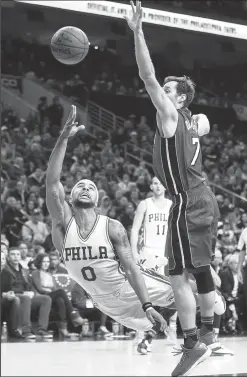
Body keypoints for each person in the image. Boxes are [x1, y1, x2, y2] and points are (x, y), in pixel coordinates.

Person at [45, 106, 225, 355]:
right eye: (79, 186)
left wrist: (147, 303)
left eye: (91, 186)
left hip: (129, 285)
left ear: (97, 201)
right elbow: (52, 182)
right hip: (105, 302)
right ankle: (175, 333)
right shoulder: (63, 225)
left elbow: (131, 269)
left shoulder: (112, 228)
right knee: (152, 328)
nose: (85, 188)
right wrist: (63, 138)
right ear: (71, 196)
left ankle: (210, 320)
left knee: (190, 297)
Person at [124, 2, 220, 375]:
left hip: (185, 201)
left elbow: (147, 76)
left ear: (179, 98)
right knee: (202, 270)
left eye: (169, 89)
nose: (161, 90)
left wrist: (137, 32)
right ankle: (210, 336)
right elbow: (205, 122)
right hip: (206, 199)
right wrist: (200, 119)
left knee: (178, 275)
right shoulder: (194, 122)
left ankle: (192, 342)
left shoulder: (170, 116)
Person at [31, 253, 84, 337]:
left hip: (50, 296)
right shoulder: (36, 272)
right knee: (61, 292)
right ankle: (73, 315)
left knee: (60, 300)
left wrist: (51, 290)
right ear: (39, 262)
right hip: (41, 297)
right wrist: (48, 290)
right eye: (43, 262)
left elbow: (54, 289)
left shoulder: (49, 274)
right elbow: (39, 289)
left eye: (48, 262)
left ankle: (63, 329)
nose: (46, 264)